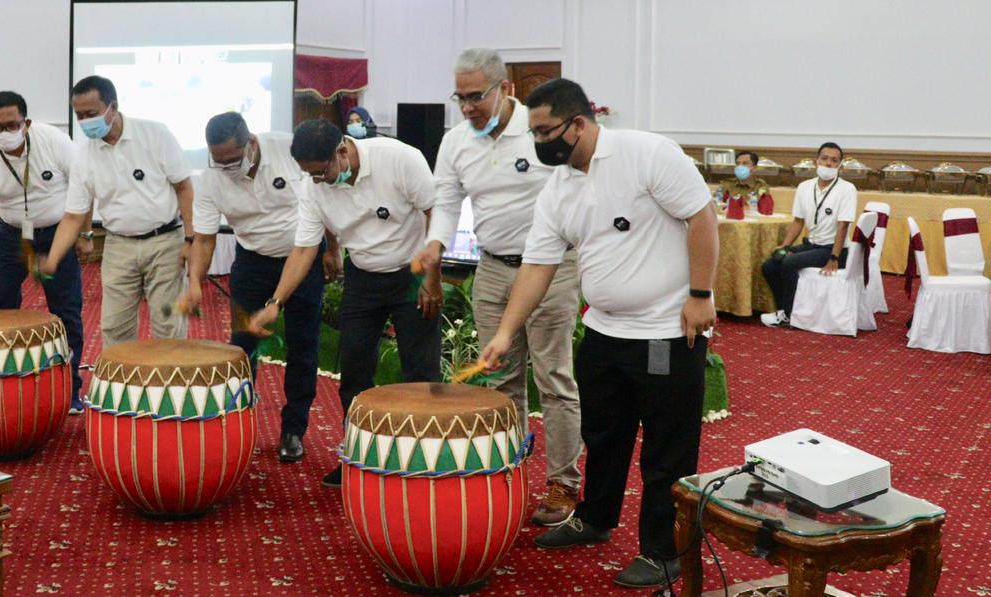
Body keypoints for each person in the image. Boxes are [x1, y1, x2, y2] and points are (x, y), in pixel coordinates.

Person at [480, 78, 718, 590]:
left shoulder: (646, 154)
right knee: (604, 436)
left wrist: (700, 294)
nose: (539, 142)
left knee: (665, 450)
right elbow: (538, 265)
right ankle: (595, 518)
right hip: (604, 332)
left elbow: (701, 217)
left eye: (546, 131)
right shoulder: (560, 187)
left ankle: (664, 551)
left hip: (665, 333)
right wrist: (505, 332)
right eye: (534, 133)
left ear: (580, 124)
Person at [414, 48, 583, 528]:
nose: (467, 108)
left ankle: (563, 483)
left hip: (551, 269)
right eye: (460, 97)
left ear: (505, 88)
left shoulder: (540, 131)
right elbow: (445, 199)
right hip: (490, 271)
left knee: (554, 379)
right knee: (501, 380)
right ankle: (507, 472)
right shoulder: (455, 141)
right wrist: (435, 243)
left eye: (476, 97)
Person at [247, 119, 441, 487]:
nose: (317, 181)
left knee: (420, 373)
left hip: (412, 273)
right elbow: (305, 248)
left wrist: (431, 278)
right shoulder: (312, 186)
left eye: (321, 172)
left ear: (342, 151)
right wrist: (276, 302)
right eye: (310, 175)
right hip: (363, 277)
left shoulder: (399, 159)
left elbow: (437, 212)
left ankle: (425, 462)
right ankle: (361, 458)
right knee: (354, 374)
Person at [179, 112, 335, 463]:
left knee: (302, 345)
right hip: (251, 260)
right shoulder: (211, 180)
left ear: (250, 143)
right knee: (241, 344)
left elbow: (324, 198)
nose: (227, 168)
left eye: (232, 159)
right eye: (218, 161)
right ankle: (237, 419)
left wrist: (332, 248)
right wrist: (193, 284)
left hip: (303, 256)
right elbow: (204, 240)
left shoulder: (287, 150)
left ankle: (293, 429)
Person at [0, 91, 88, 412]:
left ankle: (69, 389)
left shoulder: (53, 141)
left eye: (11, 125)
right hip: (11, 233)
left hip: (57, 231)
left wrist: (84, 233)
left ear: (26, 123)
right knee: (0, 307)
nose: (3, 133)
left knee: (65, 312)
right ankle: (4, 378)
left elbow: (84, 185)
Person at [43, 75, 194, 346]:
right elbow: (73, 216)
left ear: (112, 107)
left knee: (167, 325)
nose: (85, 121)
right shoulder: (84, 158)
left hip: (165, 241)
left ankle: (169, 388)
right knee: (114, 328)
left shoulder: (155, 134)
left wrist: (191, 239)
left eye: (91, 113)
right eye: (79, 115)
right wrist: (52, 259)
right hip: (118, 245)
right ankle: (124, 387)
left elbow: (184, 187)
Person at [760, 142, 857, 327]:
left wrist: (834, 258)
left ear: (840, 165)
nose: (828, 164)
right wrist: (785, 245)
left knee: (789, 263)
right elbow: (798, 221)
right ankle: (783, 309)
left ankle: (789, 315)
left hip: (834, 249)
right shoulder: (805, 187)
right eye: (824, 159)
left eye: (834, 161)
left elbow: (843, 226)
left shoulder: (847, 189)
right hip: (811, 245)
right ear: (816, 161)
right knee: (770, 265)